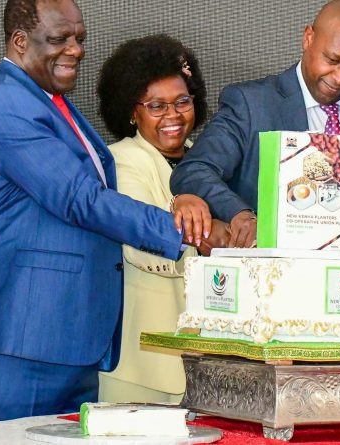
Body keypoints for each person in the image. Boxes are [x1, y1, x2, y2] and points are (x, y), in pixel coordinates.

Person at [0, 0, 211, 432]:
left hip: (71, 337)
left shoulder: (51, 102)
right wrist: (184, 229)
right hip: (19, 337)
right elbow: (79, 198)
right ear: (19, 40)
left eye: (80, 38)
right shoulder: (6, 103)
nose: (76, 50)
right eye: (59, 39)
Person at [170, 0, 340, 246]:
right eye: (332, 60)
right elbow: (194, 170)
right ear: (308, 38)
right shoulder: (251, 104)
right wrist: (241, 215)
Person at [96, 35, 230, 403]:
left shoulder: (205, 162)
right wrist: (214, 243)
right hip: (145, 366)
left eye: (182, 102)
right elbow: (142, 249)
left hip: (209, 362)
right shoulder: (122, 160)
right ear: (131, 111)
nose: (173, 116)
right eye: (156, 105)